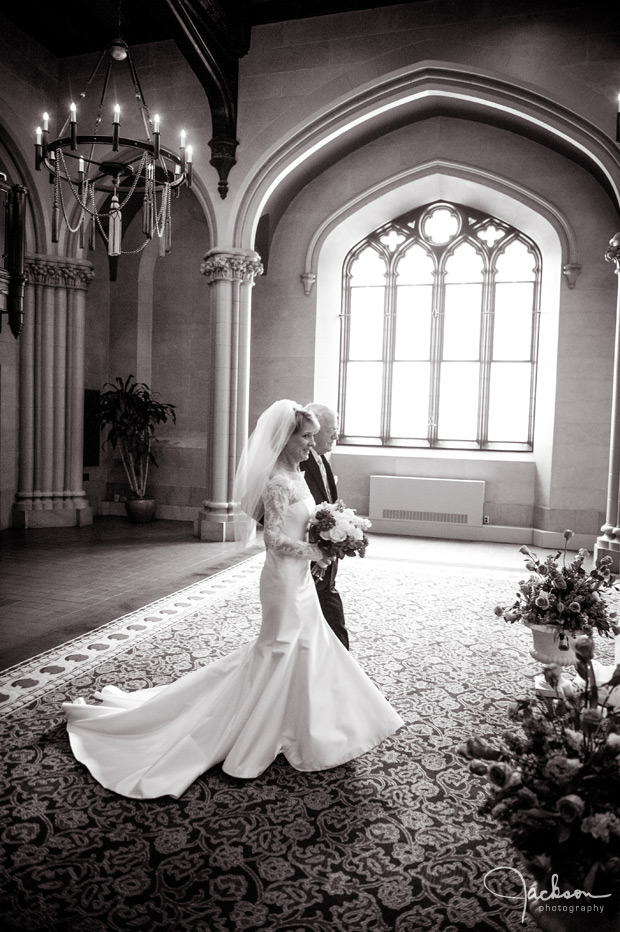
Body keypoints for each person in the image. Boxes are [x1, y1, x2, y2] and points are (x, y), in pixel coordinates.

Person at [62, 400, 404, 799]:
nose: (311, 445)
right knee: (281, 649)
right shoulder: (278, 481)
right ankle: (263, 728)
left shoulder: (296, 473)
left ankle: (305, 723)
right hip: (282, 582)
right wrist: (319, 551)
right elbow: (273, 540)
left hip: (300, 581)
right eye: (306, 437)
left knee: (306, 647)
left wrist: (329, 532)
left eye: (313, 437)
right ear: (286, 438)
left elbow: (304, 522)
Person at [300, 403, 349, 650]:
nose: (335, 436)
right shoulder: (297, 464)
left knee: (326, 601)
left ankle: (337, 659)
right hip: (305, 555)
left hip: (325, 555)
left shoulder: (322, 460)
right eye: (331, 430)